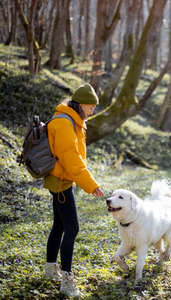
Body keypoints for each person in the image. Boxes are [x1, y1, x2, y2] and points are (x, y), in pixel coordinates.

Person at [43, 83, 104, 297]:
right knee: (72, 227)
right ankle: (67, 282)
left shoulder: (72, 120)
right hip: (61, 181)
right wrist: (92, 185)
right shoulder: (64, 123)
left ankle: (51, 270)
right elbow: (72, 160)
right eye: (91, 107)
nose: (92, 111)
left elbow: (74, 157)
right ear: (82, 104)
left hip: (61, 180)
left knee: (59, 225)